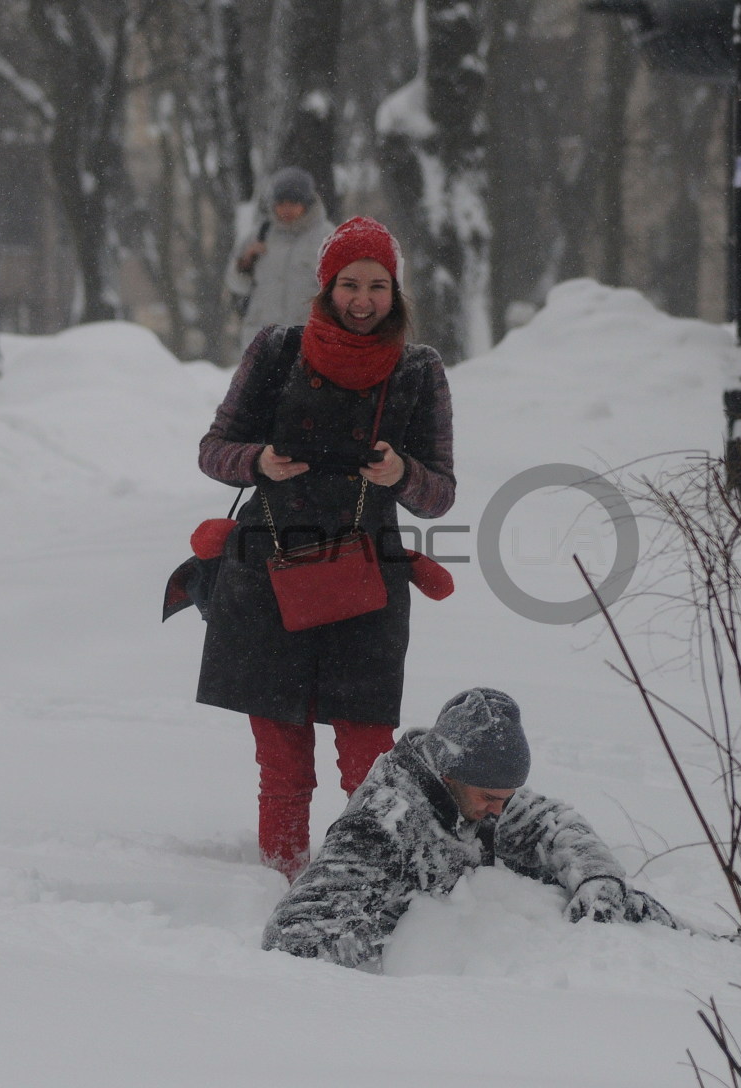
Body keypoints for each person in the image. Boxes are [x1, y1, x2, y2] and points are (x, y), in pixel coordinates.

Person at [197, 216, 456, 881]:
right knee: (282, 760)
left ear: (395, 291)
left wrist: (403, 475)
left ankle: (368, 883)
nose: (363, 300)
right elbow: (213, 452)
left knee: (369, 756)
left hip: (365, 582)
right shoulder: (276, 351)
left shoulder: (419, 371)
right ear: (326, 285)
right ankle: (281, 883)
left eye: (377, 285)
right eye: (349, 284)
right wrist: (259, 460)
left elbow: (440, 495)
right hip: (268, 575)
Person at [262, 688, 677, 970]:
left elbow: (554, 824)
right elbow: (291, 939)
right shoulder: (381, 825)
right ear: (449, 774)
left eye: (506, 798)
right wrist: (394, 931)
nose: (498, 811)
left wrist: (597, 877)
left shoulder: (472, 788)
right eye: (490, 798)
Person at [225, 166, 332, 354]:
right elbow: (235, 285)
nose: (286, 208)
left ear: (307, 202)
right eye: (280, 202)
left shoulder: (328, 238)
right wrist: (245, 264)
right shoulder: (259, 234)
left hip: (308, 342)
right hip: (262, 342)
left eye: (293, 202)